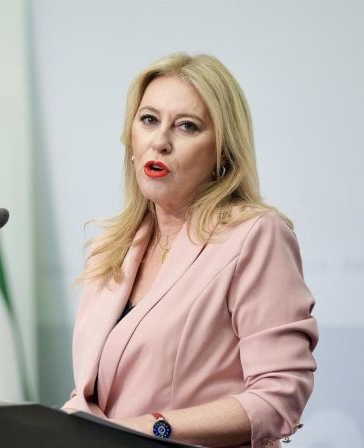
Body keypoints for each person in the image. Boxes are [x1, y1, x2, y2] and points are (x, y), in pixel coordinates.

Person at [62, 53, 318, 448]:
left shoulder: (254, 236)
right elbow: (93, 395)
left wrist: (154, 428)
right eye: (149, 120)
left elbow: (278, 397)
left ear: (223, 151)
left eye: (187, 126)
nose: (160, 142)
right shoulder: (110, 249)